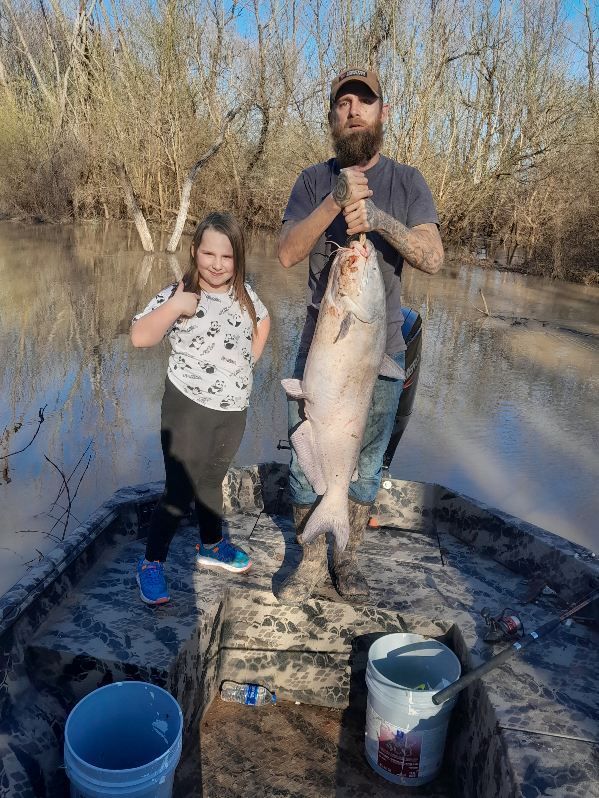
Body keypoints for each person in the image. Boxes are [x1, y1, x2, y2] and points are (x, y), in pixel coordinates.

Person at [277, 68, 443, 604]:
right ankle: (308, 562)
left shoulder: (407, 182)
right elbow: (285, 253)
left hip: (382, 353)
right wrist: (333, 201)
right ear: (332, 117)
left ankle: (345, 558)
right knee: (305, 471)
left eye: (363, 102)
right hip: (319, 351)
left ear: (382, 113)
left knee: (366, 469)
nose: (353, 110)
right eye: (342, 103)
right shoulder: (310, 180)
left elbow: (434, 256)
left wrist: (376, 219)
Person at [131, 212, 270, 606]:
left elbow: (263, 323)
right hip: (186, 409)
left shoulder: (245, 293)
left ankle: (211, 545)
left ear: (237, 259)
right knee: (178, 490)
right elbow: (140, 337)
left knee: (211, 481)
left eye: (225, 257)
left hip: (232, 412)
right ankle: (151, 563)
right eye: (207, 253)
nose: (215, 263)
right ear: (194, 252)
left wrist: (247, 365)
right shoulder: (179, 293)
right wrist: (175, 307)